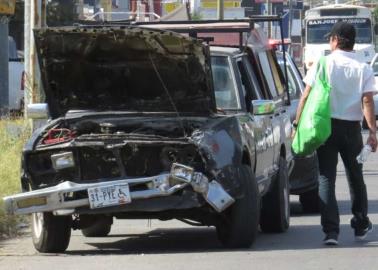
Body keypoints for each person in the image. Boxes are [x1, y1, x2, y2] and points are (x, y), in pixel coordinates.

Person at [293, 21, 377, 246]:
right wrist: (373, 132)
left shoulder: (323, 64)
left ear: (336, 40)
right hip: (352, 130)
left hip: (325, 128)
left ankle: (331, 232)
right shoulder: (364, 67)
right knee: (355, 176)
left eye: (330, 38)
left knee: (326, 177)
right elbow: (367, 100)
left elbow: (306, 95)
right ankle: (360, 224)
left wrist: (297, 125)